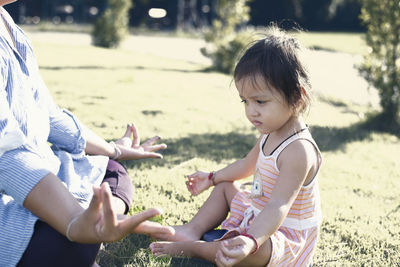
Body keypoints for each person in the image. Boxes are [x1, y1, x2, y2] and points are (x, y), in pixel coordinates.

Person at [0, 1, 174, 266]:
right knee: (66, 245)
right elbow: (7, 150)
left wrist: (114, 149)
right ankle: (94, 225)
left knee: (113, 170)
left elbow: (48, 114)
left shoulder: (12, 29)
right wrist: (72, 223)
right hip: (10, 194)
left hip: (40, 173)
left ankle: (101, 221)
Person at [150, 25, 322, 267]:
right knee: (225, 187)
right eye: (245, 101)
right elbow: (246, 165)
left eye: (260, 101)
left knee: (250, 252)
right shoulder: (271, 131)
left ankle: (194, 248)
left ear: (296, 97)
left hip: (282, 234)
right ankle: (192, 229)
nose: (251, 111)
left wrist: (252, 241)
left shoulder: (298, 151)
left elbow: (278, 205)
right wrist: (212, 178)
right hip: (258, 214)